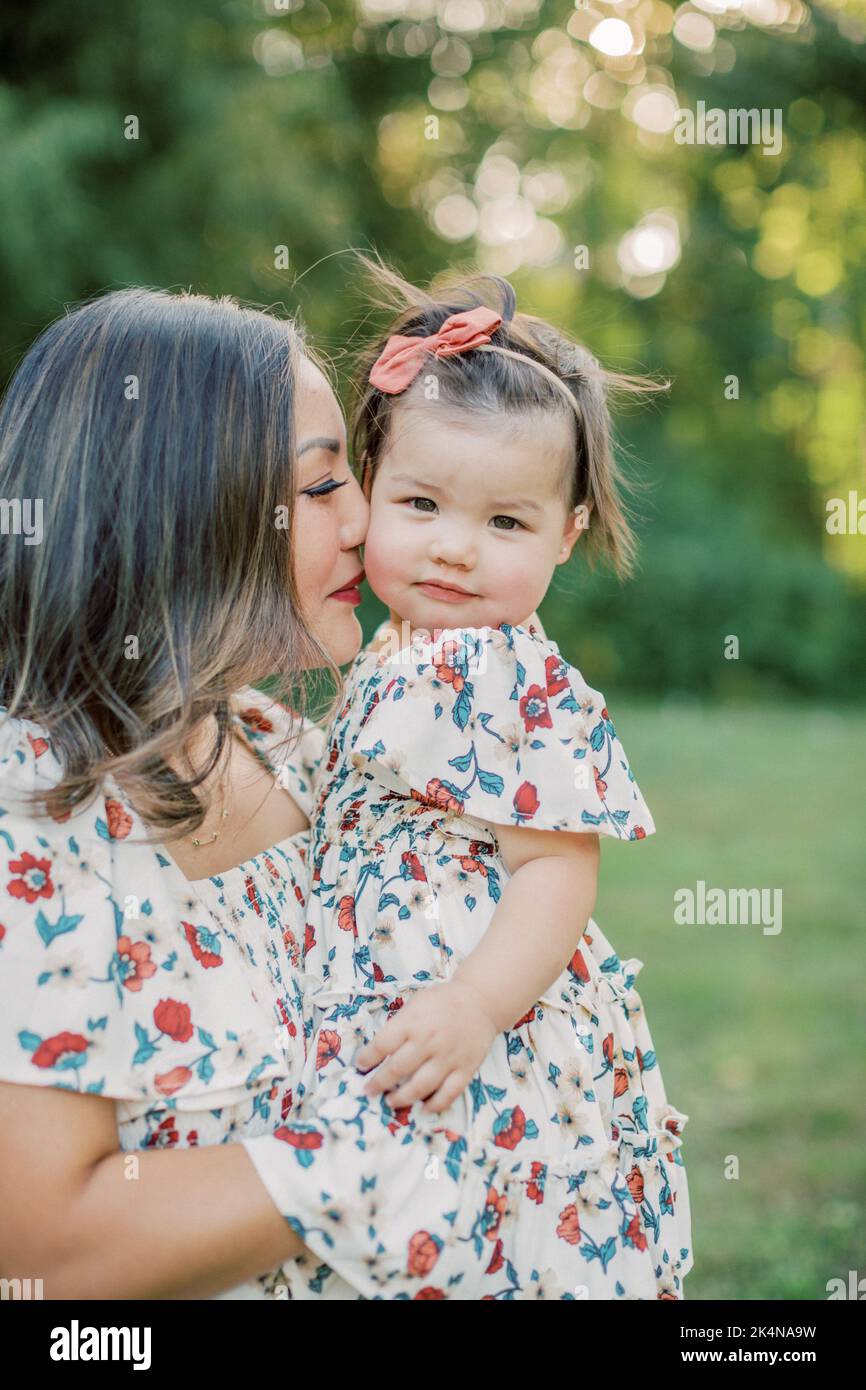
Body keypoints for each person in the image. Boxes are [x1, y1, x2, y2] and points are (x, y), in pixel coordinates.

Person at [268, 261, 693, 1300]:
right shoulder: (398, 649)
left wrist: (472, 1004)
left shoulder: (511, 673)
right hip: (389, 1006)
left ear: (565, 534)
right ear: (370, 490)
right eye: (420, 503)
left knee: (485, 1230)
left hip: (484, 1025)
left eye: (505, 523)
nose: (455, 549)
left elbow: (553, 871)